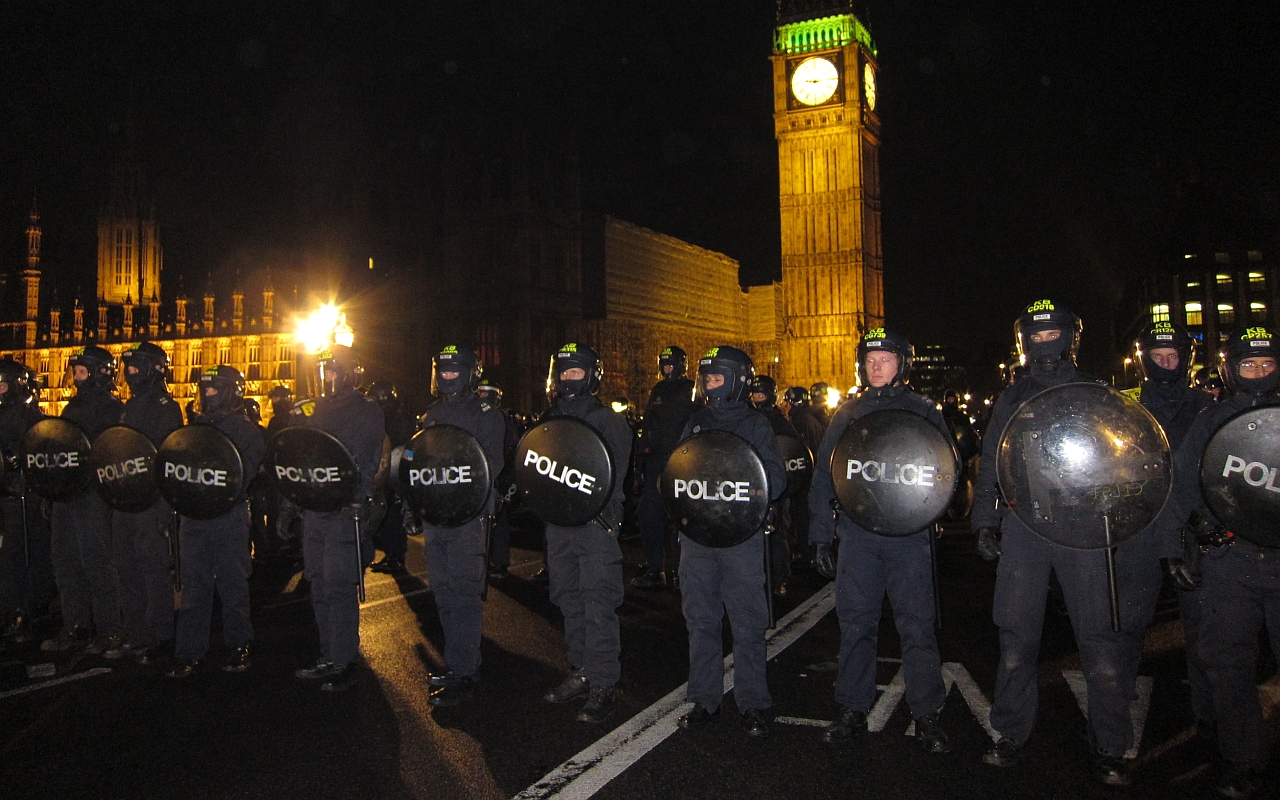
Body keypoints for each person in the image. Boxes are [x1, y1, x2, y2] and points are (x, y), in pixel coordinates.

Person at [973, 300, 1140, 786]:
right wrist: (985, 519)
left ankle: (1110, 745)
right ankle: (1010, 732)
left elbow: (1126, 460)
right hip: (1025, 527)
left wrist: (1120, 514)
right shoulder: (1012, 397)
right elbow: (991, 462)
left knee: (1099, 639)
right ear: (1025, 342)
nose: (1045, 343)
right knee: (1016, 637)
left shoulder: (1096, 393)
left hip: (1084, 529)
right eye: (1036, 336)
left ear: (1070, 338)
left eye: (1054, 335)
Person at [807, 328, 952, 752]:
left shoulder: (922, 411)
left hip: (908, 539)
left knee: (917, 627)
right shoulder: (848, 414)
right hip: (859, 538)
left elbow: (945, 470)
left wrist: (933, 518)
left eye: (885, 359)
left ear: (902, 364)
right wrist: (820, 536)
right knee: (856, 624)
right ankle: (852, 707)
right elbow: (825, 476)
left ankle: (927, 714)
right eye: (870, 359)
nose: (876, 366)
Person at [1156, 327, 1279, 798]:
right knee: (1228, 666)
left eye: (1268, 366)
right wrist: (1173, 545)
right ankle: (1243, 759)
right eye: (1249, 366)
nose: (1259, 375)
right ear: (1232, 370)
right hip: (1229, 563)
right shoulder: (1212, 420)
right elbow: (1183, 486)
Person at [675, 346, 786, 737]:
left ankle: (753, 702)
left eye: (718, 377)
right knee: (701, 619)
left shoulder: (756, 426)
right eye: (706, 377)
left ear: (738, 380)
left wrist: (752, 486)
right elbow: (678, 470)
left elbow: (776, 478)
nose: (710, 383)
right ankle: (704, 699)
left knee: (747, 621)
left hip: (741, 537)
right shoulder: (696, 422)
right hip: (699, 537)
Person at [1116, 321, 1216, 740]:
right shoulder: (1126, 405)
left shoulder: (1206, 407)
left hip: (1192, 528)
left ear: (1186, 359)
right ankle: (1114, 705)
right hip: (1142, 523)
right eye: (1157, 358)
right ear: (1144, 361)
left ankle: (1211, 714)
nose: (1165, 364)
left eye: (1173, 357)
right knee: (1128, 621)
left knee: (1204, 626)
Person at [540, 343, 633, 724]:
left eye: (575, 371)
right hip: (560, 524)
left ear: (592, 375)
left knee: (598, 601)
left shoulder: (607, 420)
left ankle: (603, 684)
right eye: (563, 371)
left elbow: (614, 476)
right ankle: (580, 670)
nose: (567, 378)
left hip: (595, 524)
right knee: (568, 597)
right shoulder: (550, 417)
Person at [409, 346, 505, 707]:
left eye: (455, 371)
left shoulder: (485, 415)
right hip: (436, 517)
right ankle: (455, 661)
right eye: (443, 371)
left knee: (464, 592)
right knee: (443, 590)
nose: (448, 377)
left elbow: (489, 466)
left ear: (469, 373)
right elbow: (416, 462)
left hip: (468, 516)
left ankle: (466, 669)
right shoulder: (431, 415)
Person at [294, 345, 385, 692]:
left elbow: (364, 458)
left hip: (344, 510)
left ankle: (344, 660)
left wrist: (355, 498)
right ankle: (327, 656)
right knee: (317, 584)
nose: (327, 377)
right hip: (315, 508)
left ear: (348, 373)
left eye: (333, 371)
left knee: (338, 586)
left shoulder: (366, 410)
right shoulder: (315, 408)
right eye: (324, 371)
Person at [167, 366, 265, 678]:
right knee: (194, 586)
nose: (206, 395)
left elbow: (243, 475)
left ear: (230, 391)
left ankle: (239, 646)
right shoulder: (195, 426)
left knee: (232, 583)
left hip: (228, 515)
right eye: (204, 389)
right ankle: (189, 651)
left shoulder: (246, 431)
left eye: (213, 389)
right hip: (195, 516)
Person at [41, 346, 125, 654]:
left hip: (92, 495)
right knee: (65, 561)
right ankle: (75, 625)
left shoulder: (110, 407)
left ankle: (109, 630)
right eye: (74, 372)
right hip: (67, 493)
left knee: (97, 562)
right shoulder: (71, 406)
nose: (75, 377)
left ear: (98, 372)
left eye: (80, 371)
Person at [109, 342, 184, 664]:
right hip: (125, 498)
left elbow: (167, 455)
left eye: (137, 367)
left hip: (151, 500)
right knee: (126, 568)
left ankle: (160, 636)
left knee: (153, 569)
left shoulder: (165, 405)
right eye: (128, 367)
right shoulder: (131, 404)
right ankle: (137, 633)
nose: (130, 373)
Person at [633, 346, 698, 589]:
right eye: (665, 364)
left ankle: (684, 572)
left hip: (683, 462)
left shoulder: (692, 389)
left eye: (672, 364)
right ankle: (655, 568)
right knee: (650, 514)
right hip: (657, 461)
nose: (668, 368)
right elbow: (648, 424)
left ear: (682, 365)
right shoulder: (658, 390)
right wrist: (641, 457)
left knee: (682, 517)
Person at [0, 359, 52, 645]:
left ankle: (26, 609)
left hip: (23, 495)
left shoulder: (27, 417)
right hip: (9, 493)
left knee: (23, 554)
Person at [748, 375, 798, 596]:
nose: (758, 397)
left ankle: (779, 578)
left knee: (777, 533)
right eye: (755, 393)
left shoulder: (778, 421)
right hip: (754, 484)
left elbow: (793, 450)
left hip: (774, 484)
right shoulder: (749, 419)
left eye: (762, 393)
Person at [367, 381, 417, 575]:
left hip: (391, 473)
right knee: (391, 517)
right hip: (393, 472)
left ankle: (395, 557)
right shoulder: (398, 415)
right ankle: (393, 555)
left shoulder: (384, 417)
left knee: (392, 518)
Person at [476, 378, 521, 577]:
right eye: (480, 393)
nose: (483, 398)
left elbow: (512, 451)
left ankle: (500, 562)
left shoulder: (504, 420)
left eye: (487, 394)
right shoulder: (476, 418)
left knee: (500, 521)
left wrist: (509, 481)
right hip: (480, 477)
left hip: (500, 478)